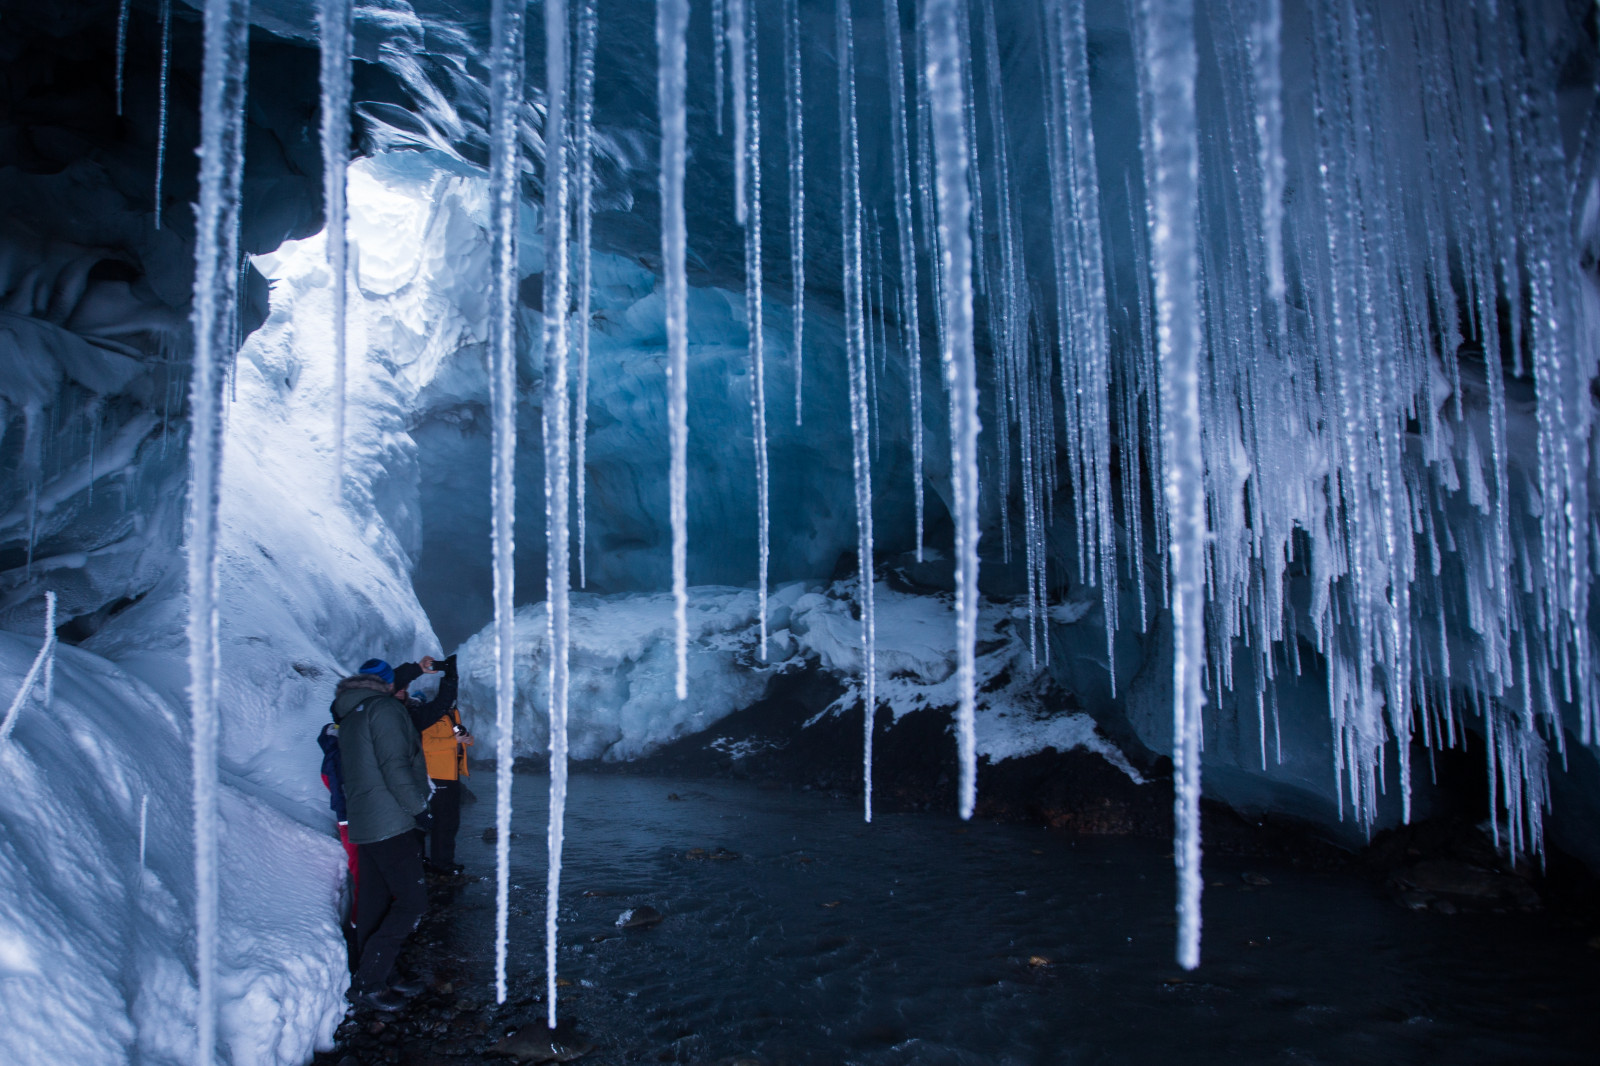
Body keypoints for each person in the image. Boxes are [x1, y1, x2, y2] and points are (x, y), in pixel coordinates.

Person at [332, 658, 433, 1012]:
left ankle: (379, 974)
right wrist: (420, 809)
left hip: (365, 822)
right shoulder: (385, 709)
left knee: (375, 902)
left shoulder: (352, 713)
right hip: (391, 821)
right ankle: (370, 982)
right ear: (389, 685)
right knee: (412, 901)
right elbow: (395, 765)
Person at [408, 654, 473, 875]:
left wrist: (466, 739)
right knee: (443, 821)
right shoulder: (429, 719)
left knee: (449, 821)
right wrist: (453, 741)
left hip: (451, 775)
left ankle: (438, 861)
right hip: (436, 776)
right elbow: (426, 745)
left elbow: (461, 740)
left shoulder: (450, 717)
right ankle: (440, 864)